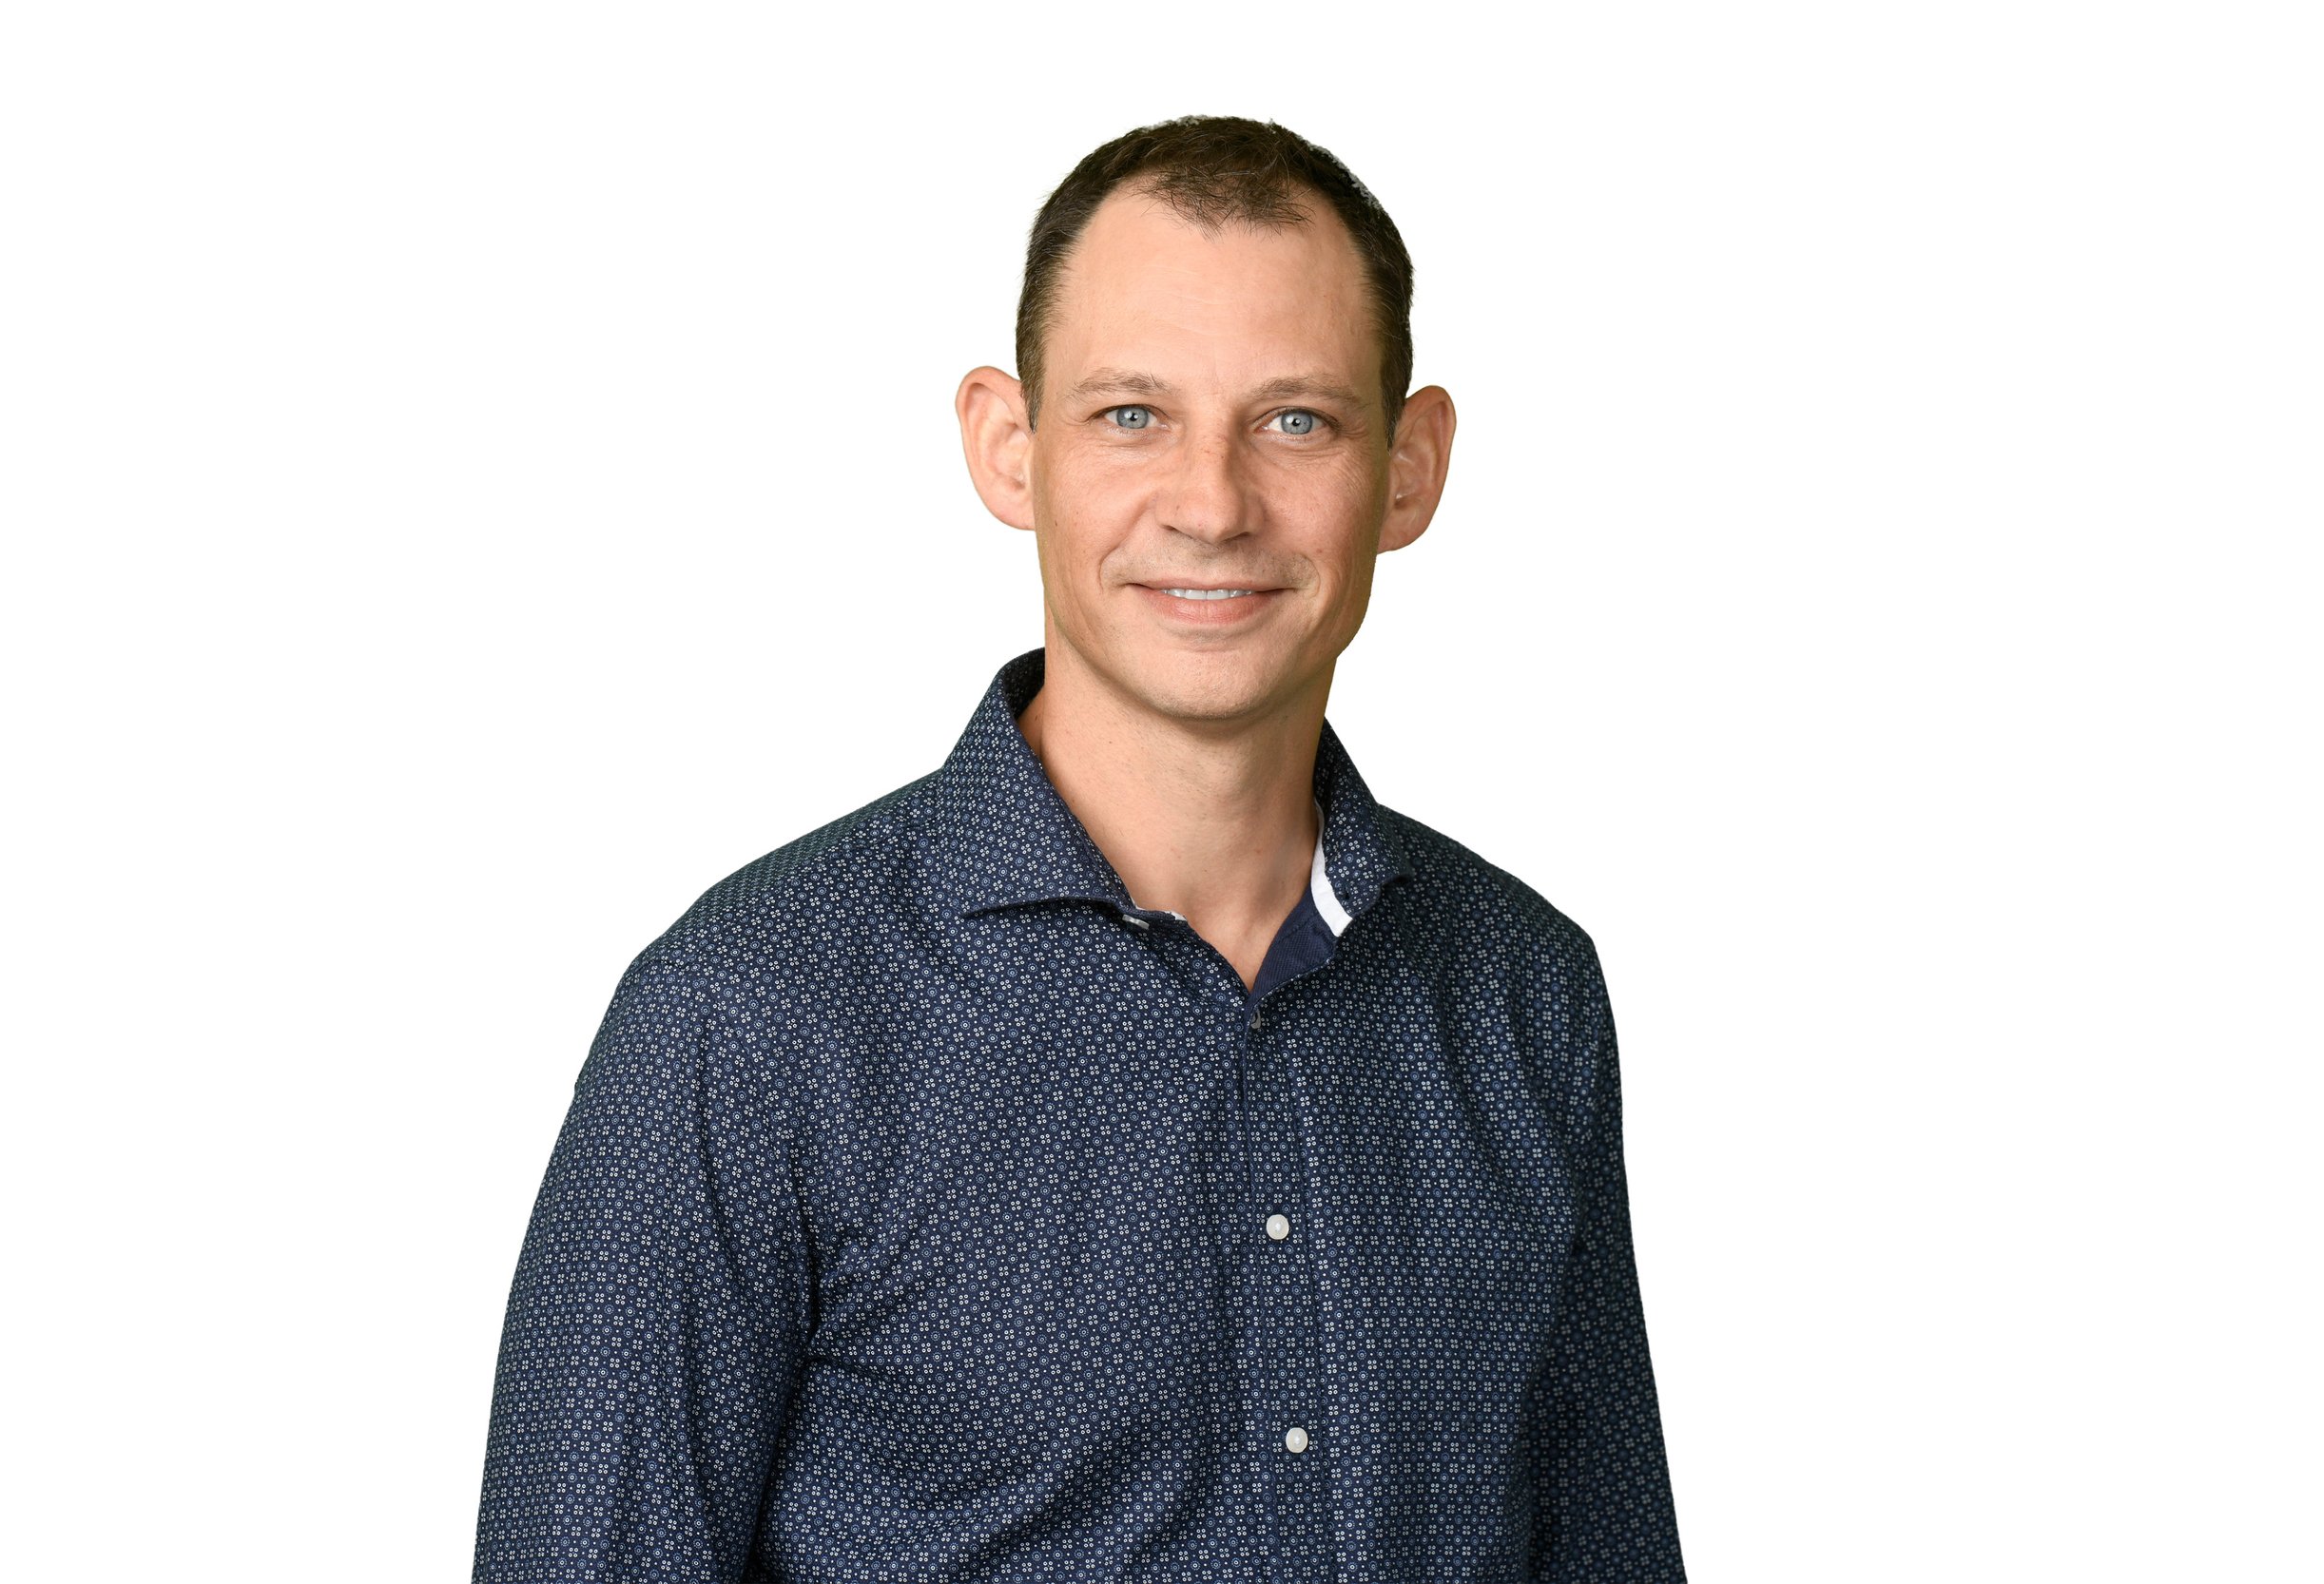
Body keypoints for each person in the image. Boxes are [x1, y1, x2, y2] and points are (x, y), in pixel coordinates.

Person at [472, 113, 1688, 1583]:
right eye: (1132, 415)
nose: (1213, 502)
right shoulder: (751, 1013)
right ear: (1006, 445)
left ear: (1412, 467)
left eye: (1295, 418)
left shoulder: (1524, 993)